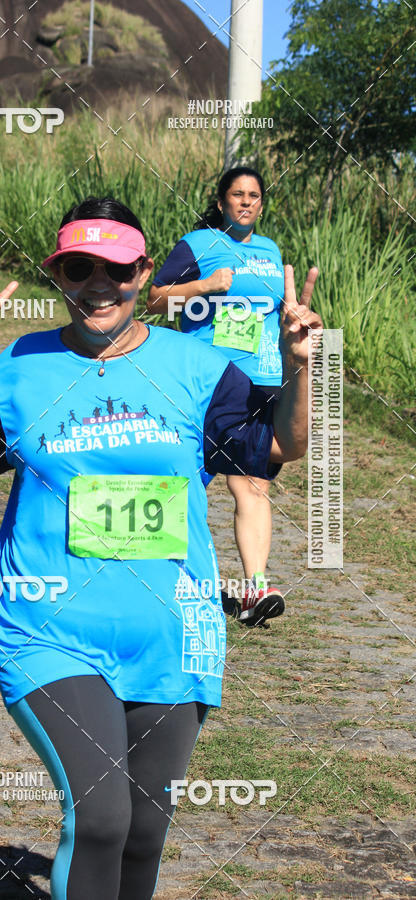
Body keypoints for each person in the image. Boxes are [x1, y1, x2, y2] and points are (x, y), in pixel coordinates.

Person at [0, 196, 320, 900]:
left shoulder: (200, 368)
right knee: (103, 814)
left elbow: (280, 447)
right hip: (48, 628)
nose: (97, 284)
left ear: (143, 272)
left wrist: (297, 366)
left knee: (145, 831)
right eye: (79, 269)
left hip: (173, 630)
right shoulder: (22, 366)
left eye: (115, 268)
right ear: (60, 276)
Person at [148, 167, 287, 627]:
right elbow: (155, 300)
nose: (245, 202)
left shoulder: (270, 251)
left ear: (261, 204)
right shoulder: (198, 244)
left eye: (253, 196)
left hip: (262, 380)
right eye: (237, 195)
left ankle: (255, 589)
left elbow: (275, 312)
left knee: (253, 483)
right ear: (223, 201)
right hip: (206, 381)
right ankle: (148, 576)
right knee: (185, 479)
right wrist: (204, 287)